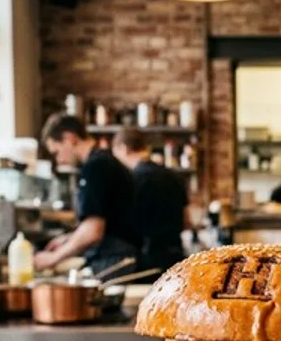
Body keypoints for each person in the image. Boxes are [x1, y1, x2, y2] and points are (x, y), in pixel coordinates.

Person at [34, 113, 140, 277]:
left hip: (114, 260)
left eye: (56, 152)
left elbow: (93, 231)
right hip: (117, 257)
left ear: (70, 138)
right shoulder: (104, 161)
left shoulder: (95, 167)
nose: (59, 160)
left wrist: (52, 258)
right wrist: (69, 239)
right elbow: (108, 222)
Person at [111, 127, 189, 276]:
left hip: (145, 260)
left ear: (124, 148)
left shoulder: (131, 181)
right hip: (175, 257)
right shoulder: (173, 176)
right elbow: (186, 221)